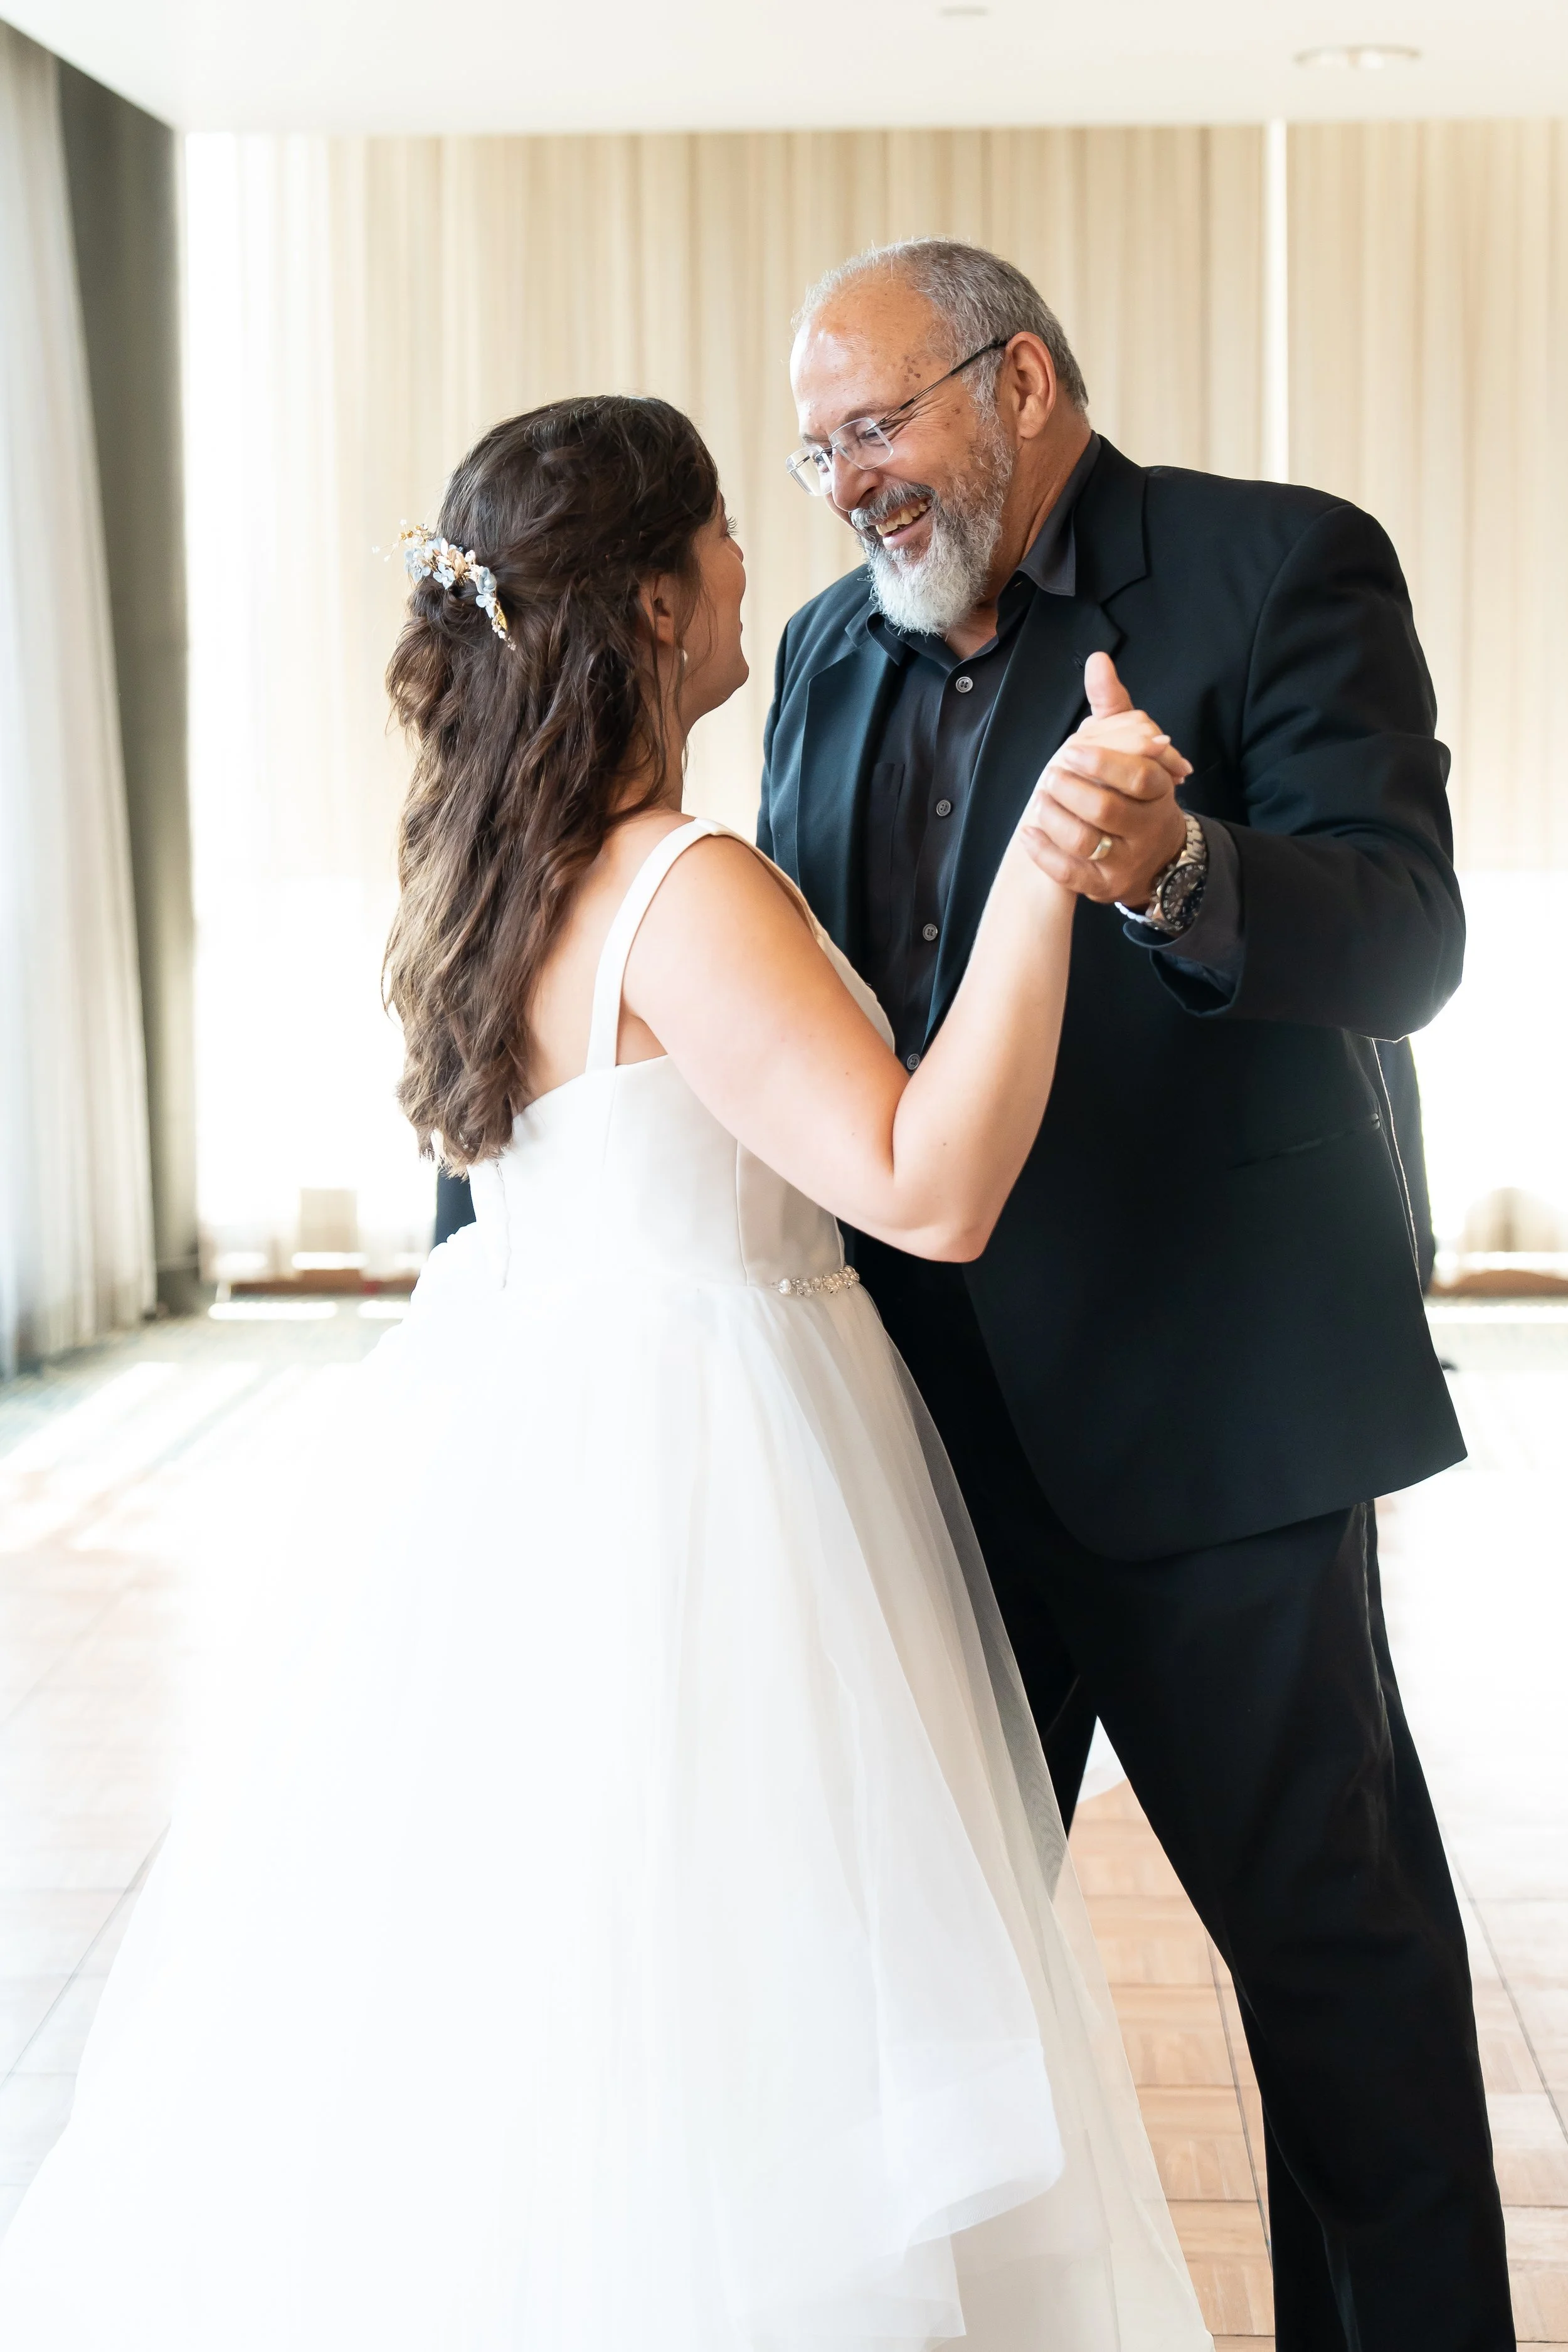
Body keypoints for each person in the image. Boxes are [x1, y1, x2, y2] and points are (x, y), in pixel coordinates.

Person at [0, 395, 1211, 2349]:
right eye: (728, 526)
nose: (761, 558)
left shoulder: (487, 868)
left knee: (548, 1992)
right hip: (711, 1479)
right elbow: (932, 1182)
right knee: (743, 2001)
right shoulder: (678, 884)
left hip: (523, 1451)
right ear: (659, 598)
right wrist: (1040, 867)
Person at [761, 238, 1510, 2352]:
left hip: (1213, 1432)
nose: (847, 481)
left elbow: (1409, 942)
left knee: (1332, 1969)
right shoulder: (821, 650)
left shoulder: (1278, 569)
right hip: (908, 1438)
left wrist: (1176, 872)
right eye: (817, 448)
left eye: (878, 424)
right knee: (923, 1994)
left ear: (1018, 380)